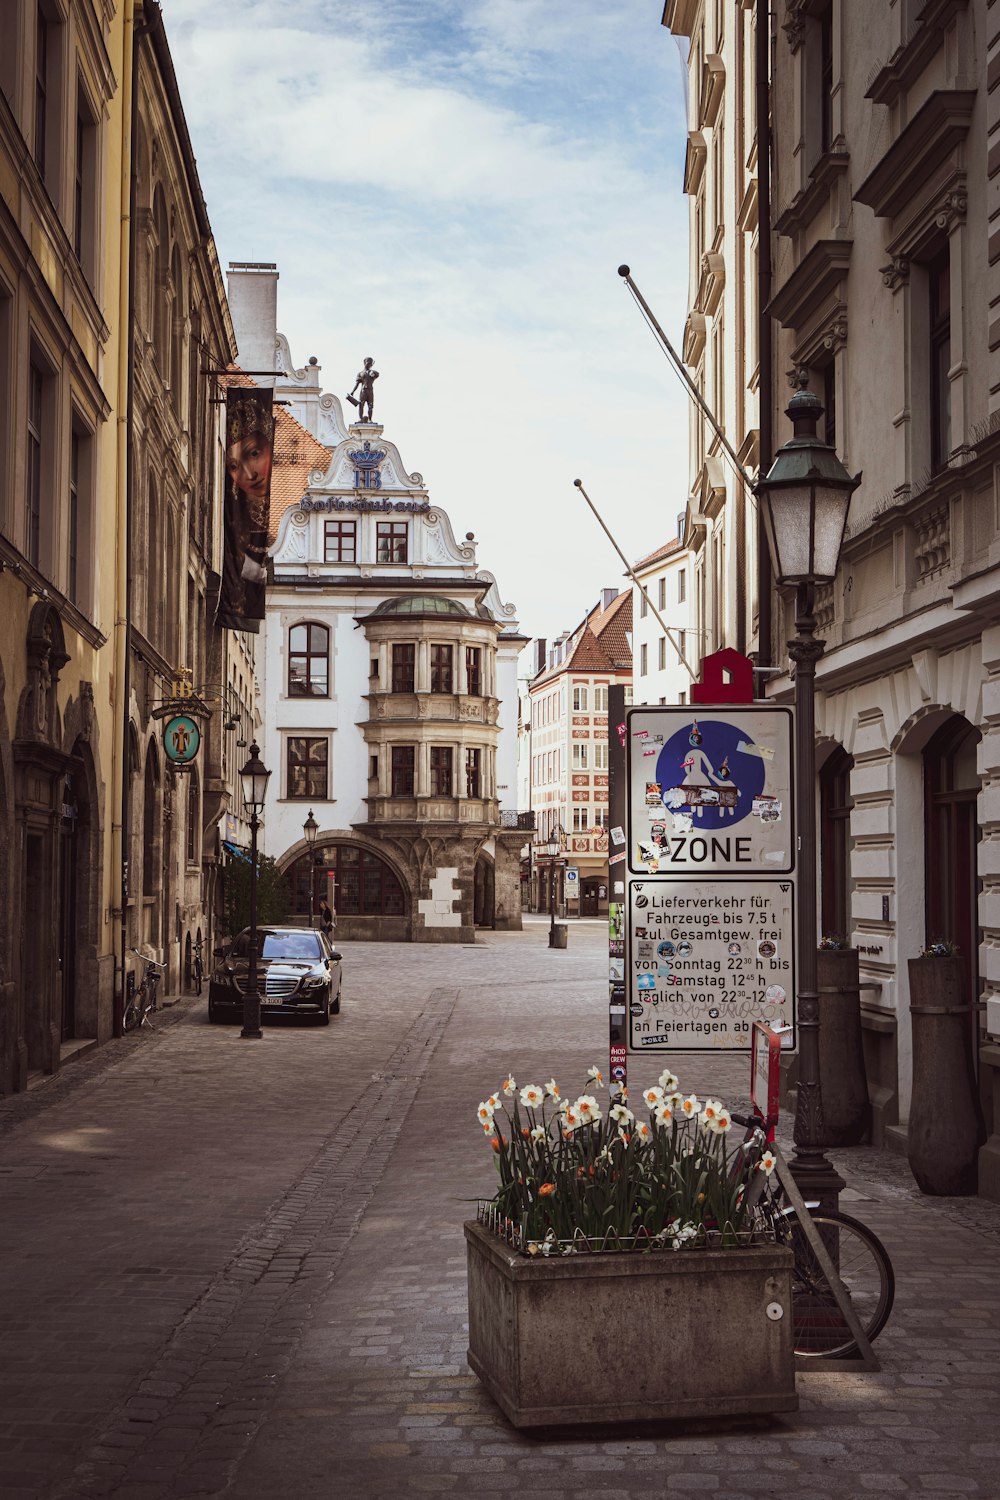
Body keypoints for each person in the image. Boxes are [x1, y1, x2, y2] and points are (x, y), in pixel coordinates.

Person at [217, 392, 274, 629]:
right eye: (234, 465)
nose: (249, 474)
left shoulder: (258, 527)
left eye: (253, 454)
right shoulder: (233, 521)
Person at [347, 357, 379, 422]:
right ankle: (360, 418)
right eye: (368, 363)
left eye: (370, 363)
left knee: (370, 405)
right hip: (363, 390)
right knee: (361, 405)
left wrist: (373, 373)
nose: (369, 364)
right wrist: (353, 391)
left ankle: (370, 419)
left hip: (370, 390)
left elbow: (377, 374)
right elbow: (357, 384)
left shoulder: (372, 372)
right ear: (364, 363)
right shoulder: (361, 373)